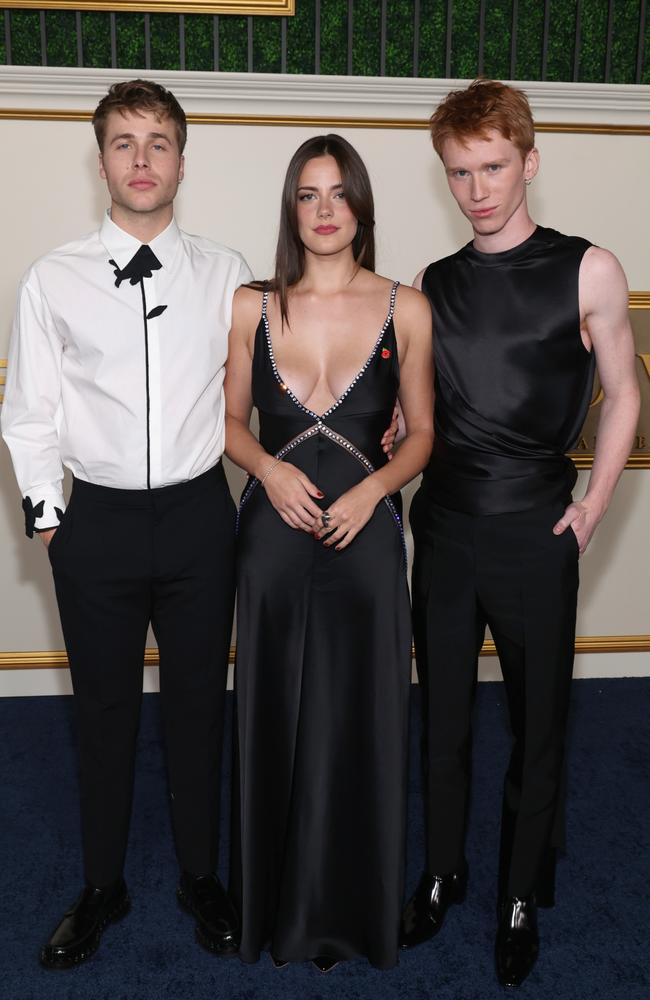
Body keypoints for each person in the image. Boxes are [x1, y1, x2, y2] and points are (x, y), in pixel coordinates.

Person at [1, 80, 252, 968]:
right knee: (102, 714)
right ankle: (102, 885)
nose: (141, 159)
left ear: (184, 159)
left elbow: (280, 381)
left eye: (158, 142)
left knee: (198, 709)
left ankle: (199, 876)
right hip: (95, 526)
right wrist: (52, 525)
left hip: (197, 519)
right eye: (123, 142)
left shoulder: (228, 274)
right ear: (100, 158)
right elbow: (28, 414)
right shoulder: (52, 279)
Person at [399, 79, 640, 987]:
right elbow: (419, 417)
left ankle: (518, 892)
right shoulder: (432, 284)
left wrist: (596, 505)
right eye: (459, 173)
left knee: (541, 724)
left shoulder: (591, 269)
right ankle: (442, 870)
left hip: (538, 531)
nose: (478, 188)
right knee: (445, 719)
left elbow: (625, 391)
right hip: (447, 530)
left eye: (493, 166)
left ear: (528, 161)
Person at [224, 134, 434, 971]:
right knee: (272, 711)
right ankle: (273, 909)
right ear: (291, 207)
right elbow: (230, 424)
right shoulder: (250, 304)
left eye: (338, 194)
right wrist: (269, 469)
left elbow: (423, 437)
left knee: (363, 718)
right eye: (308, 195)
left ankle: (352, 911)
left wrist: (375, 489)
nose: (323, 211)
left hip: (366, 538)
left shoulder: (405, 307)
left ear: (361, 208)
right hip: (271, 536)